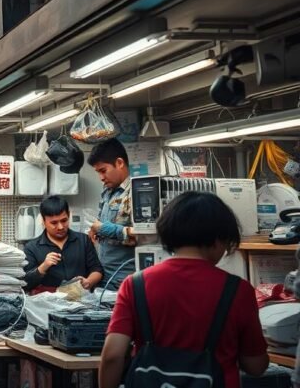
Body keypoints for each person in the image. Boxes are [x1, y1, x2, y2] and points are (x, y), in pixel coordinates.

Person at [99, 192, 268, 388]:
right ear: (218, 239)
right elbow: (256, 366)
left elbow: (112, 356)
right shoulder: (238, 290)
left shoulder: (134, 284)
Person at [22, 196, 104, 293]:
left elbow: (97, 269)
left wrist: (88, 282)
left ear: (69, 216)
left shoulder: (83, 240)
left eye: (64, 220)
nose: (60, 227)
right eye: (54, 223)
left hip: (81, 300)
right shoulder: (31, 248)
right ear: (43, 221)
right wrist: (43, 267)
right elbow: (25, 284)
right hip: (48, 304)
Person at [88, 138, 137, 289]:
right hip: (104, 277)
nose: (101, 177)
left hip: (126, 280)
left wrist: (105, 229)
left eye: (103, 170)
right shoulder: (107, 192)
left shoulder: (137, 192)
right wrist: (95, 230)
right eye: (98, 172)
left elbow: (147, 235)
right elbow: (102, 224)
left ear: (120, 163)